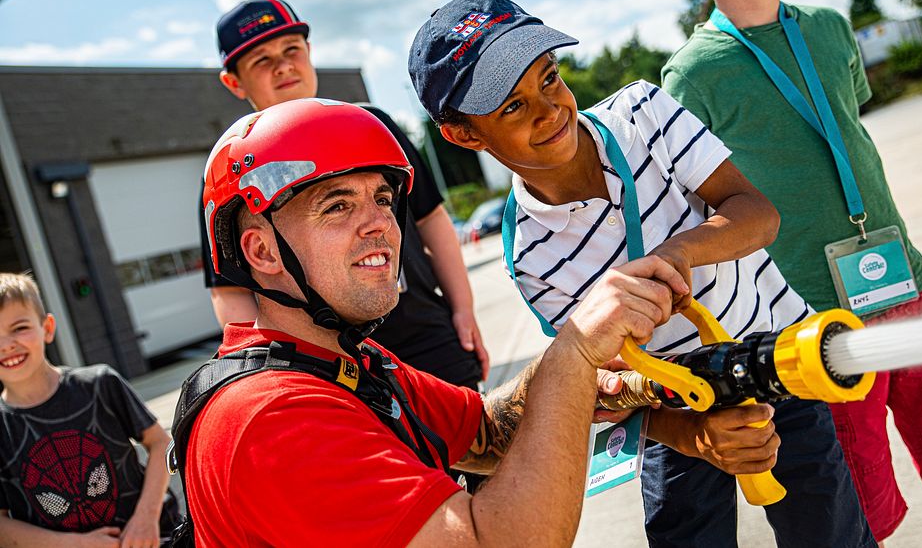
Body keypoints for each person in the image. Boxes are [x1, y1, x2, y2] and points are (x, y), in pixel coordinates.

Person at [408, 0, 874, 547]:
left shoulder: (643, 116)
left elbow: (757, 213)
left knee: (831, 533)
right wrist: (695, 436)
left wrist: (680, 252)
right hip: (675, 412)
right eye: (512, 106)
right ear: (463, 134)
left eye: (549, 78)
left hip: (777, 362)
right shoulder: (530, 254)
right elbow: (600, 383)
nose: (549, 109)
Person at [653, 0, 922, 545]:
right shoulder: (692, 76)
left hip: (905, 280)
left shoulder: (830, 28)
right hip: (809, 317)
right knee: (850, 495)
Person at [186, 98, 681, 546]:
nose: (381, 222)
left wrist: (609, 380)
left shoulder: (345, 363)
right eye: (337, 206)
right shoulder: (271, 417)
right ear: (262, 250)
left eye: (382, 199)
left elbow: (486, 430)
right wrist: (573, 354)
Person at [201, 0, 488, 388]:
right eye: (261, 60)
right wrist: (267, 373)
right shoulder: (232, 170)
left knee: (480, 442)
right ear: (234, 81)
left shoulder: (370, 125)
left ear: (309, 52)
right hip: (327, 367)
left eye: (291, 50)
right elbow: (230, 289)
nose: (283, 65)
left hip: (424, 337)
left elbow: (432, 219)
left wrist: (463, 308)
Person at [0, 272, 180, 547]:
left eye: (19, 328)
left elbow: (160, 443)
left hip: (157, 536)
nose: (7, 344)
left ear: (47, 328)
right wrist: (75, 544)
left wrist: (146, 517)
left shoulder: (99, 384)